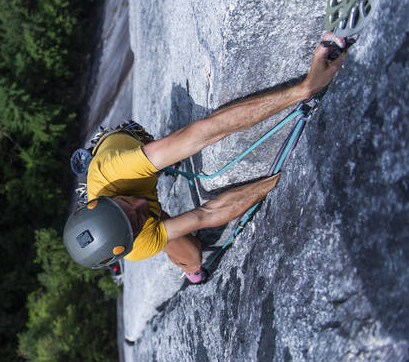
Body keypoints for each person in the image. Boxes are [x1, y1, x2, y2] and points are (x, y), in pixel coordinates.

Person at [63, 33, 347, 283]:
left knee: (169, 153)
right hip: (139, 204)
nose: (140, 206)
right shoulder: (137, 245)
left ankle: (160, 160)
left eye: (126, 203)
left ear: (104, 200)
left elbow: (205, 133)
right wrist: (279, 181)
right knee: (193, 258)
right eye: (136, 219)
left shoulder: (116, 171)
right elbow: (205, 214)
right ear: (129, 239)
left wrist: (305, 88)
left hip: (129, 146)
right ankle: (164, 175)